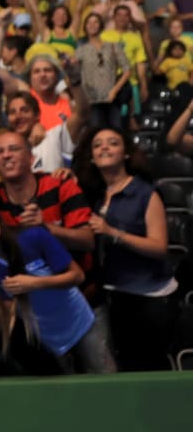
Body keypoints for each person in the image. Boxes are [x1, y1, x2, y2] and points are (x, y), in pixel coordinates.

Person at [0, 199, 115, 374]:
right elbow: (7, 309)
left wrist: (33, 283)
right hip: (49, 338)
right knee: (70, 394)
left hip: (80, 322)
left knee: (106, 380)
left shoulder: (33, 236)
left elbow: (77, 276)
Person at [72, 126, 175, 372]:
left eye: (112, 143)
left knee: (147, 368)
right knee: (125, 368)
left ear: (125, 153)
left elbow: (159, 246)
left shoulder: (145, 193)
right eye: (98, 145)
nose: (104, 148)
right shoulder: (94, 194)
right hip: (113, 295)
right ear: (91, 157)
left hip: (149, 298)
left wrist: (113, 233)